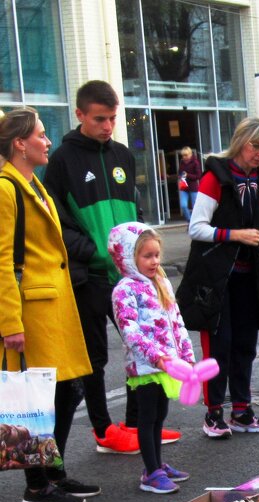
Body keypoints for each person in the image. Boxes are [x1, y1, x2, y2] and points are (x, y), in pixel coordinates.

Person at [43, 80, 161, 455]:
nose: (107, 126)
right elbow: (56, 220)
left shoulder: (123, 155)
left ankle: (135, 424)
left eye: (112, 118)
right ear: (80, 115)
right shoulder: (62, 159)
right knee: (94, 356)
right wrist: (93, 250)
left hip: (128, 275)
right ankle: (103, 430)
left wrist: (140, 249)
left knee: (140, 346)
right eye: (99, 119)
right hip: (91, 276)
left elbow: (135, 208)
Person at [0, 108, 97, 502]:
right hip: (30, 310)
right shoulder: (6, 189)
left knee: (60, 390)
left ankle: (52, 471)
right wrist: (9, 322)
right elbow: (2, 258)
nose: (47, 141)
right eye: (40, 135)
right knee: (35, 398)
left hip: (49, 306)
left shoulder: (31, 184)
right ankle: (37, 486)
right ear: (19, 143)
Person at [176, 117, 259, 438]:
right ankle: (213, 414)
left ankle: (242, 410)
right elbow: (196, 227)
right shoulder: (216, 177)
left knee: (244, 344)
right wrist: (234, 234)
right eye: (256, 146)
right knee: (218, 348)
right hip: (214, 278)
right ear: (241, 142)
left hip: (247, 276)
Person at [108, 223, 194, 493]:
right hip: (145, 366)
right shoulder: (124, 290)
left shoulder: (162, 282)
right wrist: (156, 357)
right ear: (128, 258)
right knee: (147, 417)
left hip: (166, 363)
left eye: (157, 255)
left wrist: (186, 354)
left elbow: (176, 320)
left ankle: (156, 464)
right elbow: (129, 331)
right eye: (147, 256)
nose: (154, 261)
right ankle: (150, 473)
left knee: (160, 414)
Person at [177, 146, 201, 222]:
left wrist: (188, 175)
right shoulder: (182, 162)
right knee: (183, 205)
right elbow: (180, 173)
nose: (184, 157)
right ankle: (190, 220)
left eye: (186, 155)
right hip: (184, 186)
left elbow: (198, 175)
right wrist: (180, 179)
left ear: (190, 154)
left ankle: (195, 222)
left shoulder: (195, 163)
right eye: (183, 155)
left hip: (193, 187)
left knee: (195, 206)